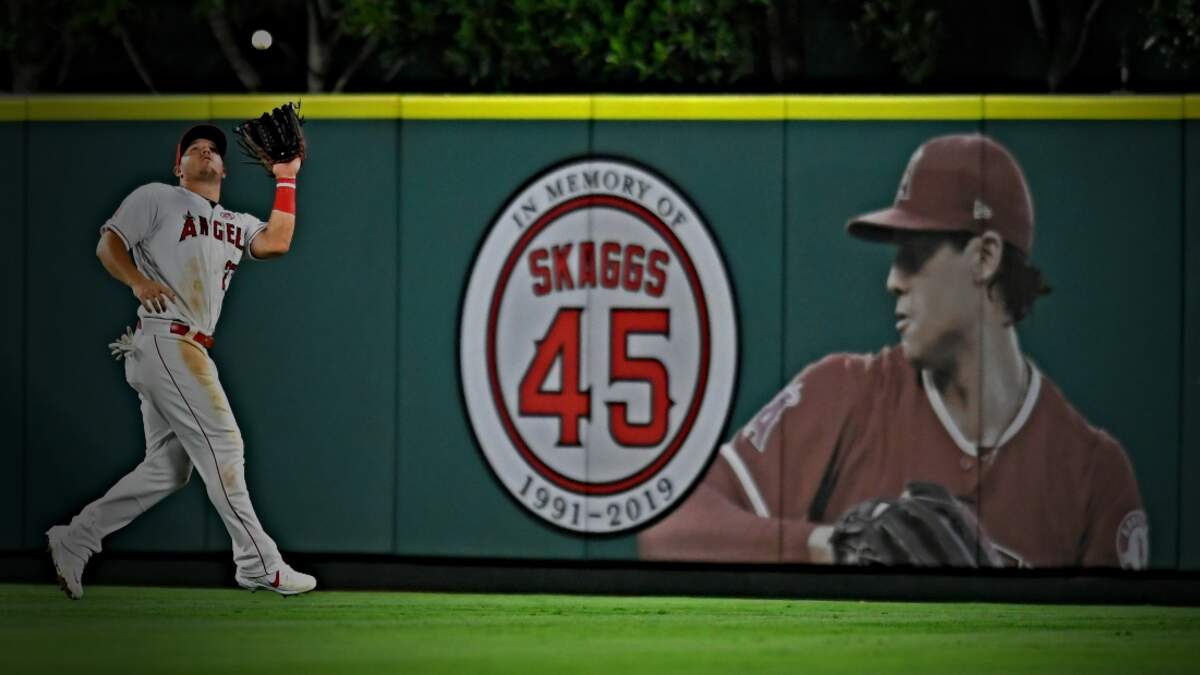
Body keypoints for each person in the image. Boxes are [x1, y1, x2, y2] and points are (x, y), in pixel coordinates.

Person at [638, 133, 1148, 569]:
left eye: (914, 254)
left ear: (985, 256)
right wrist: (826, 544)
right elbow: (670, 526)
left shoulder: (1093, 475)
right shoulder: (844, 394)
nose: (892, 281)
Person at [45, 123, 317, 598]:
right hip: (166, 340)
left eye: (213, 150)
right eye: (195, 149)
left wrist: (287, 176)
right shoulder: (158, 197)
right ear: (179, 166)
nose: (206, 154)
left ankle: (76, 538)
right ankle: (259, 562)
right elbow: (108, 243)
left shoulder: (234, 221)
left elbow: (277, 241)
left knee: (170, 470)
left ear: (224, 167)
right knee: (225, 444)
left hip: (186, 347)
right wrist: (135, 281)